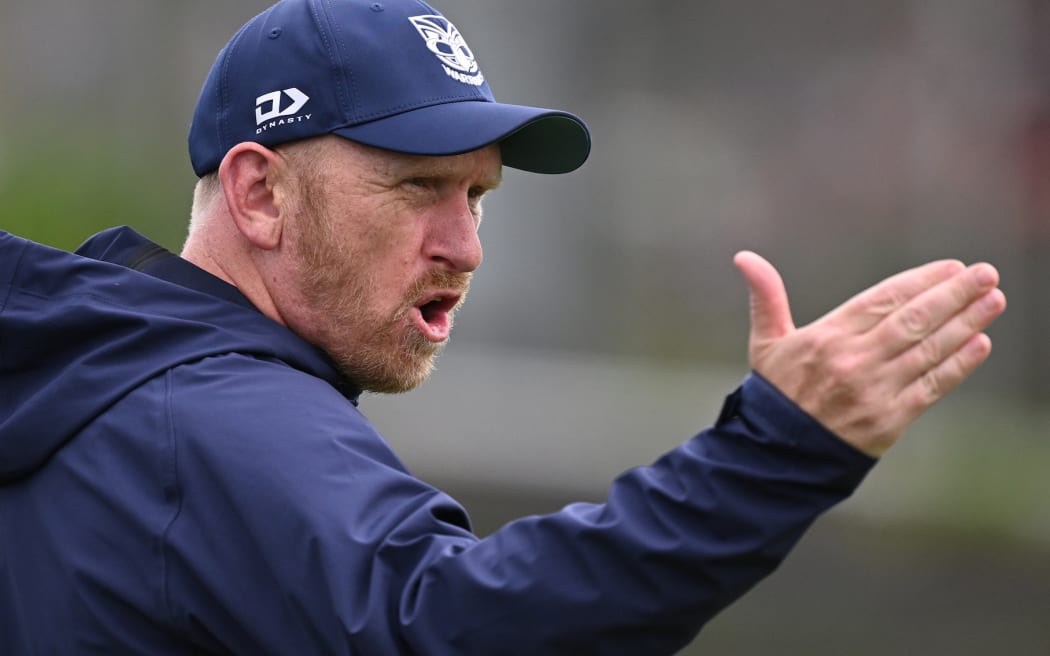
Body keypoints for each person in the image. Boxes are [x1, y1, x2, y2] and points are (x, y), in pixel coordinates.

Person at [0, 0, 1006, 653]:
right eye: (418, 186)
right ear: (259, 193)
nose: (465, 243)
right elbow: (453, 626)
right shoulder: (216, 413)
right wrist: (776, 452)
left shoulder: (96, 372)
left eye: (478, 195)